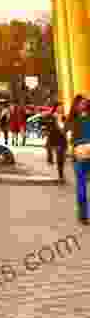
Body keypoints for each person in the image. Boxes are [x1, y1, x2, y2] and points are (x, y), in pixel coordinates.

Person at [65, 95, 90, 223]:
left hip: (81, 154)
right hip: (79, 156)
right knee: (81, 187)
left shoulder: (73, 120)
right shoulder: (72, 121)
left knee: (82, 186)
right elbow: (69, 139)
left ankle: (83, 214)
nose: (83, 105)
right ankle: (83, 214)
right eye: (82, 103)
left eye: (85, 103)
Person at [46, 104, 68, 182]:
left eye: (62, 108)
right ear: (55, 108)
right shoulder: (51, 117)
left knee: (62, 158)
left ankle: (61, 174)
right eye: (59, 108)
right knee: (59, 158)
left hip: (63, 140)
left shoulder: (64, 117)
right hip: (55, 140)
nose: (61, 109)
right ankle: (61, 175)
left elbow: (67, 128)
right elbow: (48, 128)